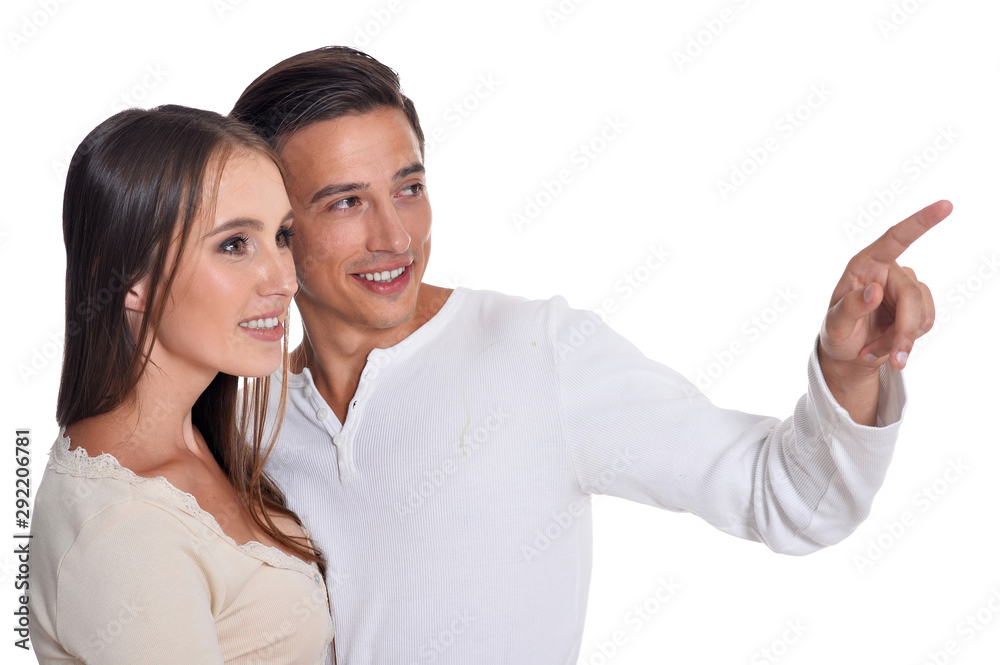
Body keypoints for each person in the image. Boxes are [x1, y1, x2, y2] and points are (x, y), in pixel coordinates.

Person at [231, 46, 949, 664]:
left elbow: (791, 500)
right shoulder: (242, 417)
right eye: (346, 202)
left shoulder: (539, 352)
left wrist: (848, 370)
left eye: (409, 188)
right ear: (274, 226)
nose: (395, 237)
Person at [29, 105, 332, 664]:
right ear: (128, 277)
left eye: (282, 235)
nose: (285, 279)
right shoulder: (123, 525)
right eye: (235, 244)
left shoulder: (203, 445)